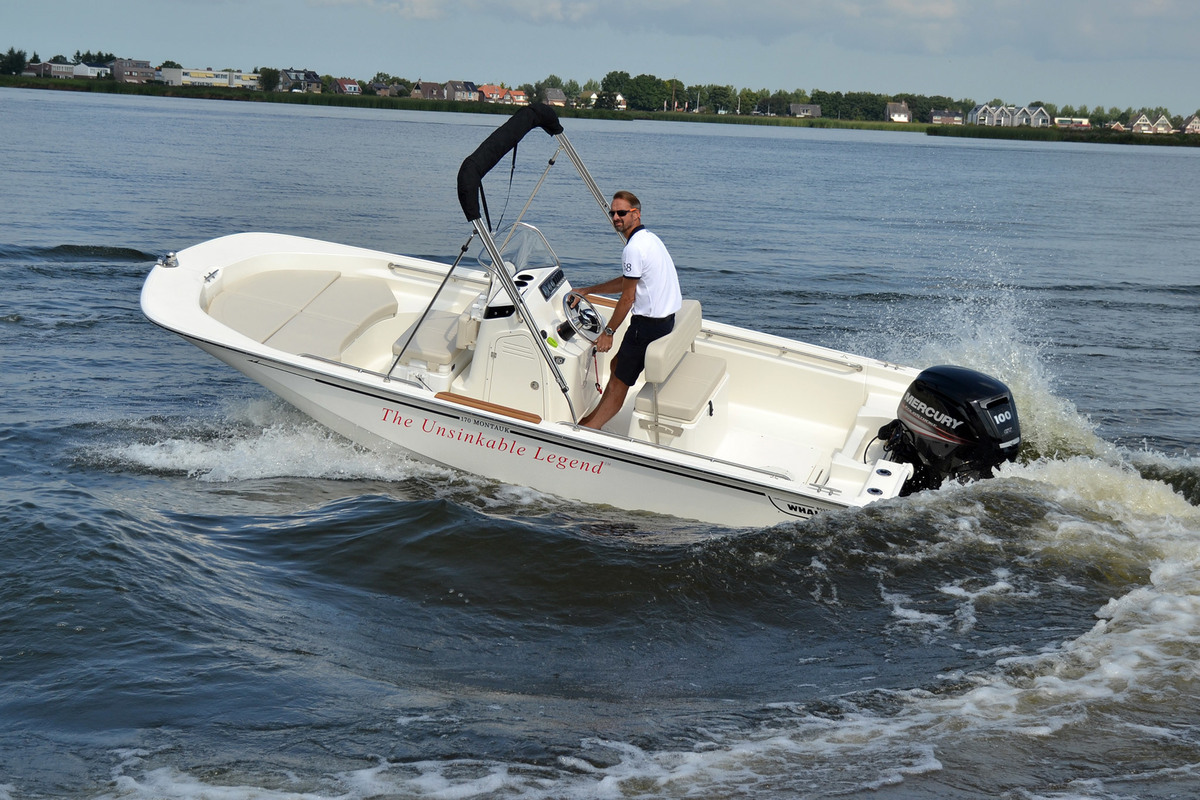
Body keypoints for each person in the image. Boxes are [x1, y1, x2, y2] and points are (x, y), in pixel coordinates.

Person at [572, 190, 682, 430]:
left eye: (622, 212)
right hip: (665, 321)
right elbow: (628, 281)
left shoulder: (632, 249)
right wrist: (589, 290)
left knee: (619, 383)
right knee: (616, 365)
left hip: (647, 328)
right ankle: (596, 415)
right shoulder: (650, 239)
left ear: (636, 214)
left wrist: (608, 332)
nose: (616, 217)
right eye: (612, 213)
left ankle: (590, 428)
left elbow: (628, 297)